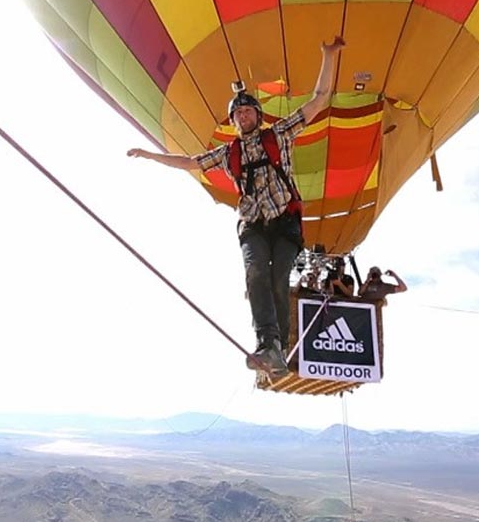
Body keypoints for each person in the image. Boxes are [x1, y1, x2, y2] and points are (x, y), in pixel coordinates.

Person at [127, 36, 346, 377]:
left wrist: (328, 56)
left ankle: (279, 348)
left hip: (285, 222)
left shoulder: (279, 134)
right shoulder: (228, 152)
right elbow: (191, 161)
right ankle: (268, 345)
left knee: (277, 278)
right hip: (253, 225)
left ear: (257, 114)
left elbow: (319, 100)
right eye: (237, 113)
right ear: (233, 120)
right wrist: (150, 155)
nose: (242, 115)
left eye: (247, 110)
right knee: (255, 272)